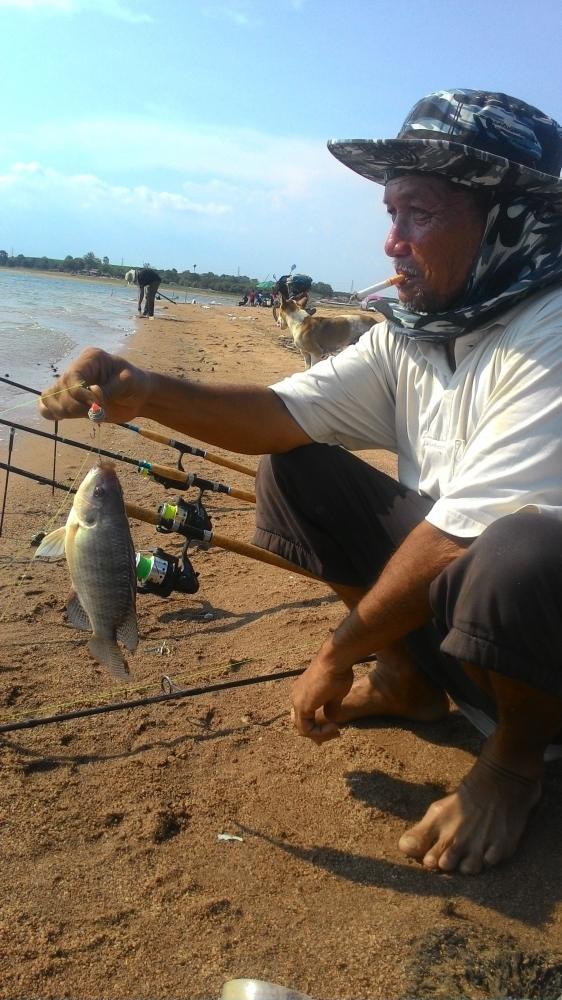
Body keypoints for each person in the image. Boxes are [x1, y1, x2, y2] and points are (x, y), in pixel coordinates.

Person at [38, 89, 562, 875]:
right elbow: (282, 414)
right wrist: (141, 388)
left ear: (512, 222)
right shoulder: (424, 335)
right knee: (296, 471)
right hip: (479, 629)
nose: (390, 243)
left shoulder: (549, 333)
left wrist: (337, 648)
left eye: (417, 215)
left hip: (538, 634)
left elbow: (458, 540)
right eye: (390, 214)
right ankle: (412, 681)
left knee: (514, 547)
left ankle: (518, 760)